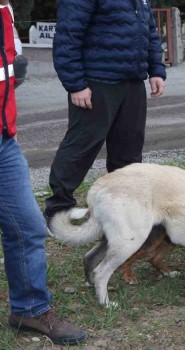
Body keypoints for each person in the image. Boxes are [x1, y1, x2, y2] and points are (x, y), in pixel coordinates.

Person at [0, 1, 86, 345]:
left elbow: (12, 73)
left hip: (4, 140)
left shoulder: (4, 9)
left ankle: (29, 310)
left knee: (28, 227)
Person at [43, 0, 167, 222]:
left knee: (128, 150)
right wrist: (76, 84)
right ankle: (58, 210)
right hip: (96, 82)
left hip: (132, 82)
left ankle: (123, 206)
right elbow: (67, 38)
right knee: (81, 147)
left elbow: (149, 30)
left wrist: (156, 69)